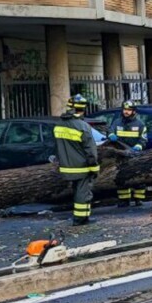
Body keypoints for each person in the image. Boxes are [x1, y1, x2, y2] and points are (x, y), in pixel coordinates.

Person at [54, 94, 99, 225]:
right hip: (81, 166)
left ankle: (83, 217)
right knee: (83, 193)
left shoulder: (59, 125)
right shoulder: (82, 126)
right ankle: (80, 219)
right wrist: (94, 168)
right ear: (83, 109)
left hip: (65, 166)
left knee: (78, 191)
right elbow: (90, 151)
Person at [108, 100, 147, 207]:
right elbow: (110, 130)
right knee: (121, 177)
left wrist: (139, 146)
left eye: (129, 110)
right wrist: (111, 135)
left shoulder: (140, 124)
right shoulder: (117, 122)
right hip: (121, 155)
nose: (126, 112)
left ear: (134, 111)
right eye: (125, 109)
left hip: (135, 154)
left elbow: (143, 139)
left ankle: (138, 199)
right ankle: (124, 200)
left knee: (137, 177)